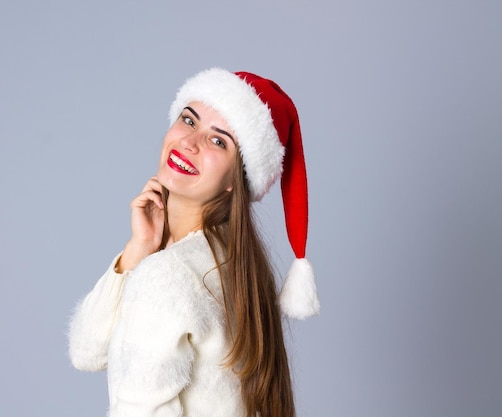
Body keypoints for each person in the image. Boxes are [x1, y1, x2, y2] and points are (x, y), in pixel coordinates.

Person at [68, 67, 320, 417]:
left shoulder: (168, 276)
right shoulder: (236, 264)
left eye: (218, 141)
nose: (189, 142)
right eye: (189, 120)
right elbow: (87, 350)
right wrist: (137, 250)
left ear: (237, 178)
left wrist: (150, 263)